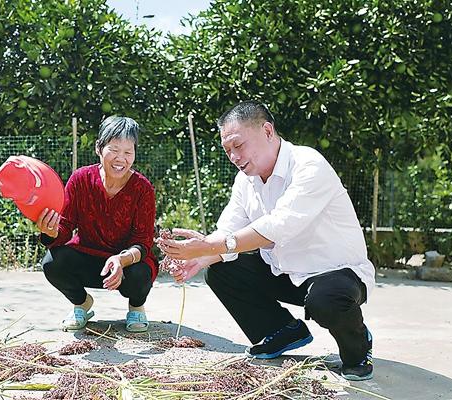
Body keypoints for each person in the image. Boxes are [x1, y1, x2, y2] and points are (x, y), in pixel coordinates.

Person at [157, 101, 375, 381]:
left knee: (326, 300)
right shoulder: (244, 181)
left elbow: (278, 226)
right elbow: (228, 231)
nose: (234, 156)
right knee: (221, 270)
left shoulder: (308, 165)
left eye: (239, 145)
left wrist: (210, 247)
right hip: (285, 271)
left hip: (335, 274)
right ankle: (281, 332)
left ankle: (358, 345)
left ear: (268, 131)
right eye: (228, 150)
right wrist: (197, 259)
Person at [39, 116, 157, 333]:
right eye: (114, 149)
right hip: (87, 256)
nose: (121, 158)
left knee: (141, 273)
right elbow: (65, 226)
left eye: (128, 152)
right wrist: (51, 231)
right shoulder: (81, 179)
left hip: (125, 264)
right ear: (99, 148)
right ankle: (81, 303)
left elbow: (143, 241)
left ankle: (136, 307)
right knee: (52, 262)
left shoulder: (143, 189)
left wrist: (121, 259)